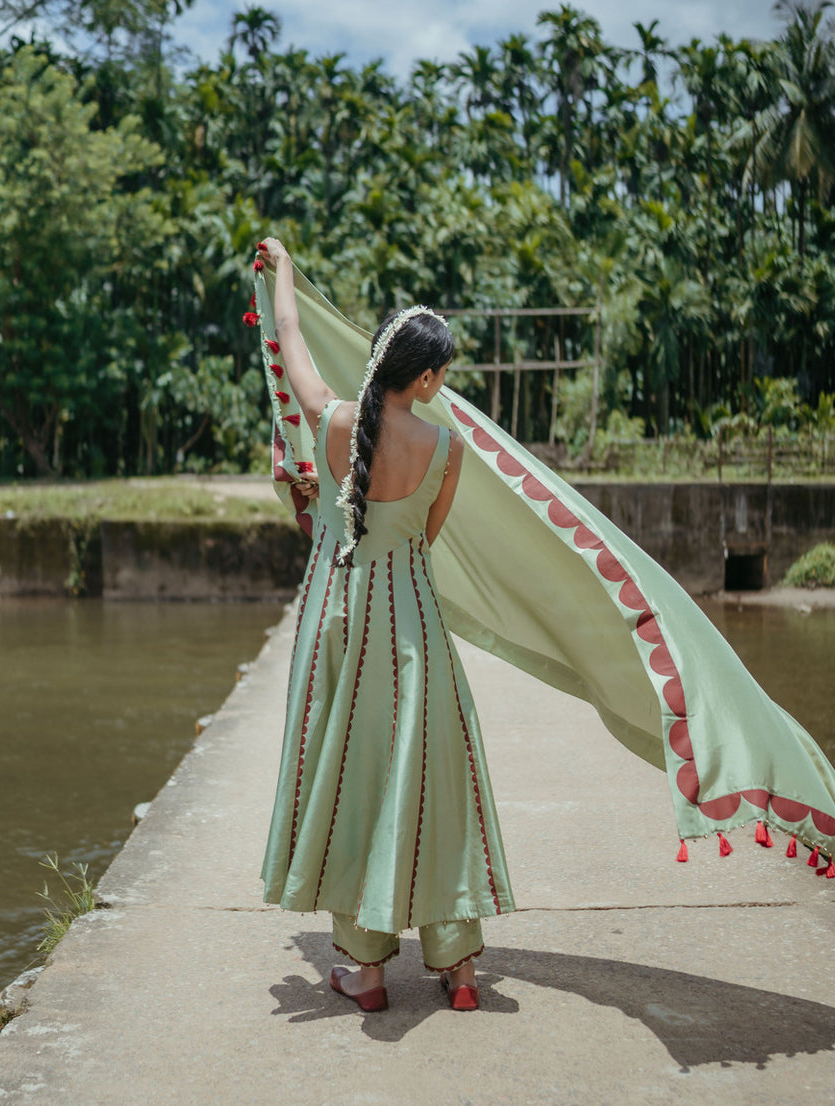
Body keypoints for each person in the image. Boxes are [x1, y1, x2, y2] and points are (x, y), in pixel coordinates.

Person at [258, 238, 515, 1013]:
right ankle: (460, 969)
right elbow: (419, 542)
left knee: (350, 773)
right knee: (433, 777)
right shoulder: (447, 447)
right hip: (414, 628)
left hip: (339, 620)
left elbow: (292, 341)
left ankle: (366, 972)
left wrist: (286, 275)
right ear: (428, 377)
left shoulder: (333, 420)